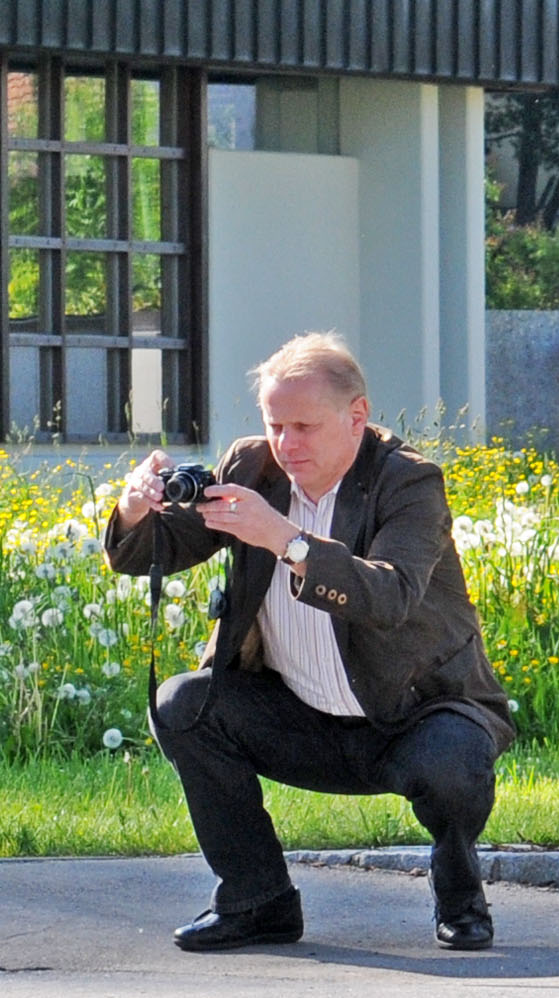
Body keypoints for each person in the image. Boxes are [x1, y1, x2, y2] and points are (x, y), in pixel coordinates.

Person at [104, 332, 513, 952]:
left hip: (414, 716)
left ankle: (460, 895)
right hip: (298, 717)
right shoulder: (251, 467)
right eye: (275, 425)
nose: (287, 444)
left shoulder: (408, 481)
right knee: (184, 704)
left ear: (357, 416)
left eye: (304, 426)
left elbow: (391, 595)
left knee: (451, 762)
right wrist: (137, 509)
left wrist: (284, 539)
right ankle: (257, 900)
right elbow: (151, 553)